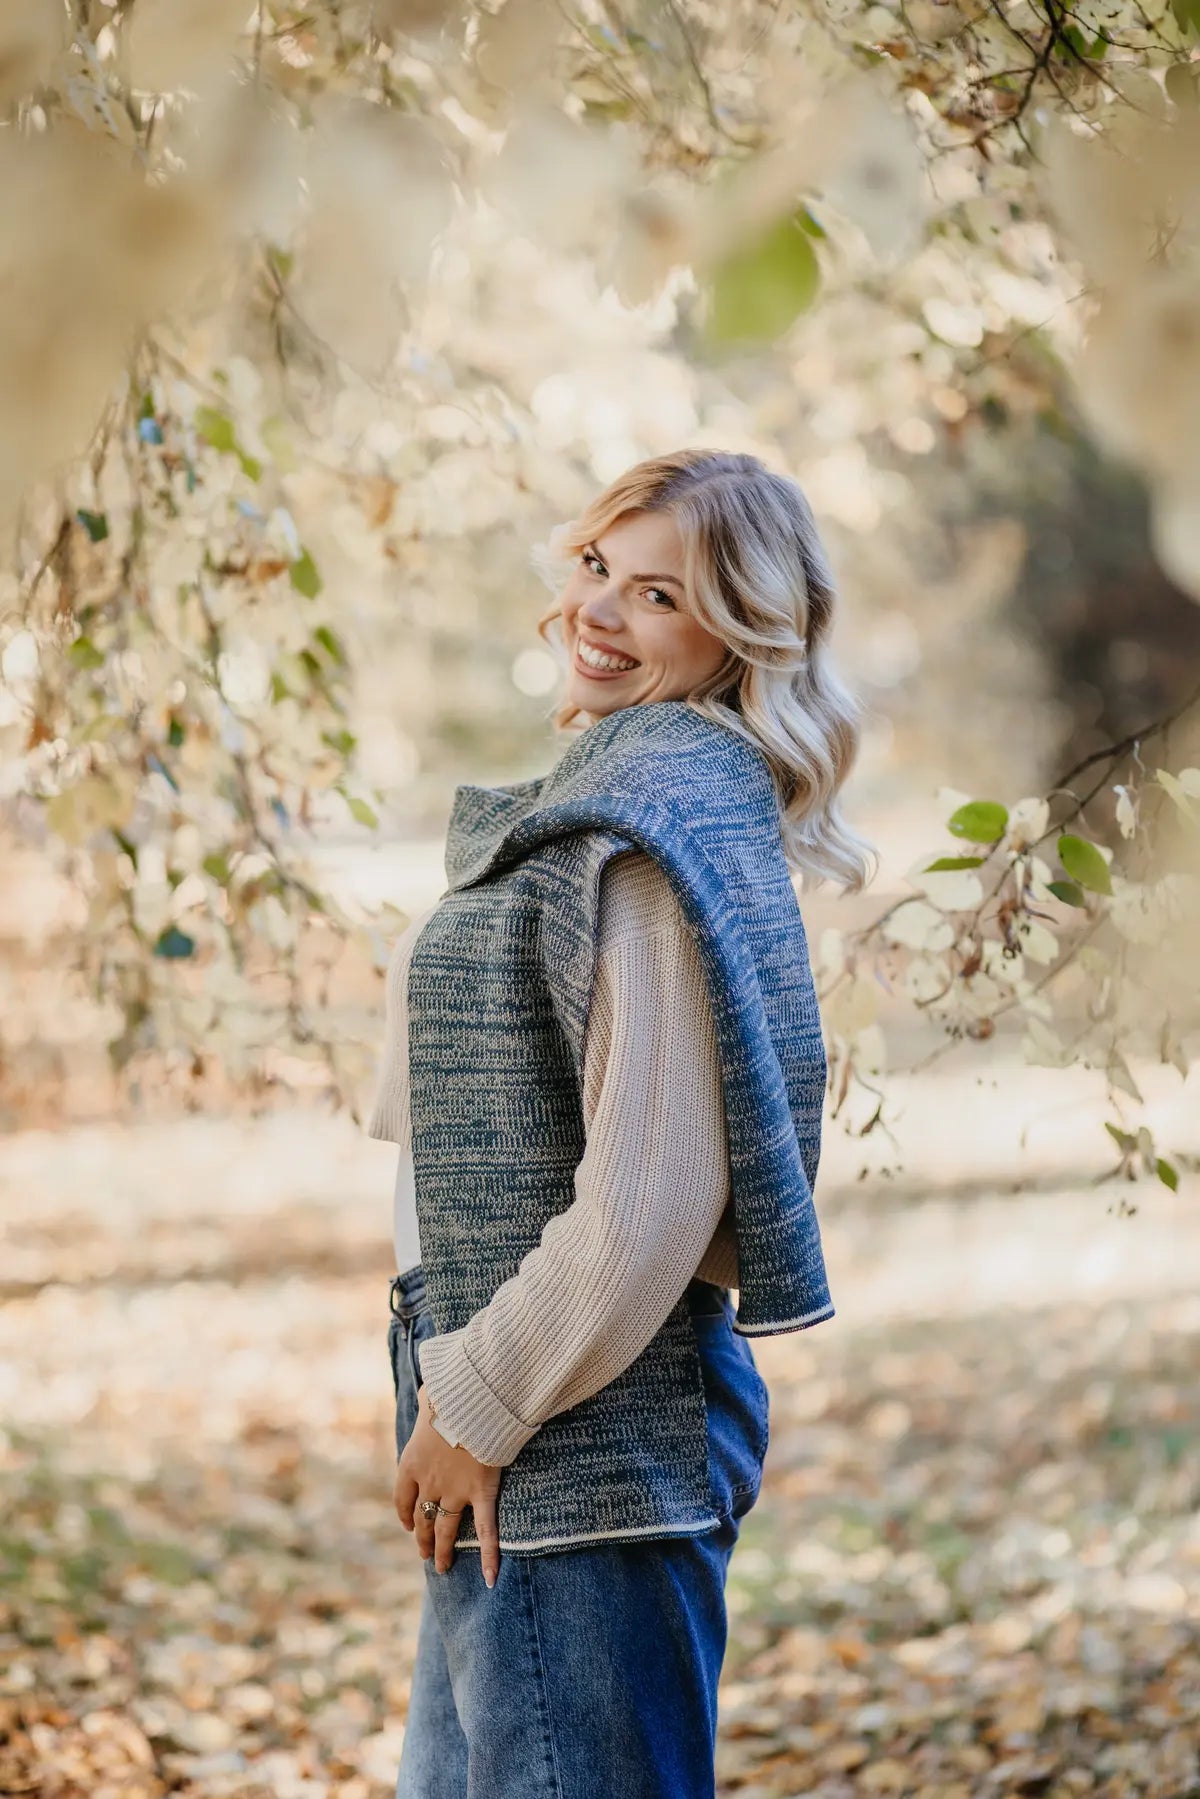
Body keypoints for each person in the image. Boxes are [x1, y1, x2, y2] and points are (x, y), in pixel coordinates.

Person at [367, 448, 876, 1798]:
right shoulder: (621, 798)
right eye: (599, 567)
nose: (599, 611)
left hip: (566, 1428)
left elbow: (650, 1200)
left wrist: (471, 1404)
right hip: (521, 1407)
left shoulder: (646, 839)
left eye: (658, 595)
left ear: (736, 635)